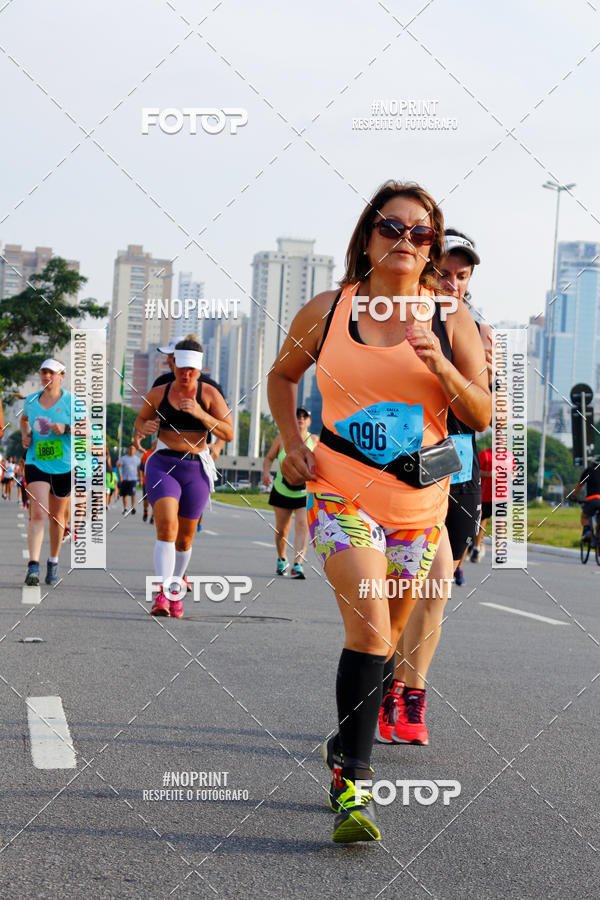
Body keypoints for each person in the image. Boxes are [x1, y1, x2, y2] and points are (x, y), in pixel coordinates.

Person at [267, 181, 490, 843]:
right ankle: (354, 782)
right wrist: (289, 442)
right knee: (368, 627)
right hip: (341, 492)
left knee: (388, 644)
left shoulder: (453, 322)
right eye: (392, 227)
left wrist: (443, 370)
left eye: (422, 233)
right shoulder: (329, 310)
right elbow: (283, 377)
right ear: (367, 236)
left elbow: (479, 415)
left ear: (432, 248)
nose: (406, 241)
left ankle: (344, 745)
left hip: (421, 505)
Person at [377, 230, 493, 747]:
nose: (452, 282)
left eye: (462, 276)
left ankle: (406, 694)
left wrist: (487, 384)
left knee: (435, 593)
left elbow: (486, 413)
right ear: (427, 268)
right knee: (423, 580)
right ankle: (391, 692)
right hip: (408, 465)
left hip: (459, 467)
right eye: (444, 271)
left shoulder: (472, 329)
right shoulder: (398, 319)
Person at [133, 338, 233, 618]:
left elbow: (229, 432)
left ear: (199, 370)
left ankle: (175, 590)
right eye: (181, 368)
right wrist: (145, 425)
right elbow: (139, 422)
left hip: (195, 468)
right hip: (162, 464)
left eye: (191, 369)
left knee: (185, 539)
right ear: (174, 364)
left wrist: (201, 414)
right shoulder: (159, 392)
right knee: (166, 527)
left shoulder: (210, 393)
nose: (185, 373)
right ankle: (162, 595)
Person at [20, 359, 72, 586]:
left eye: (51, 372)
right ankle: (33, 565)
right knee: (39, 513)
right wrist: (25, 433)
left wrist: (66, 428)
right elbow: (23, 420)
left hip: (63, 465)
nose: (46, 376)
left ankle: (53, 560)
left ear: (62, 376)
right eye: (43, 372)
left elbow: (89, 430)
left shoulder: (73, 402)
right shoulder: (31, 401)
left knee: (57, 517)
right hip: (36, 461)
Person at [262, 408, 318, 578]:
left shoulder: (314, 440)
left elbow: (322, 464)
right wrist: (266, 473)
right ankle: (281, 559)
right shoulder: (281, 439)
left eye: (304, 416)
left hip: (303, 492)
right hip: (282, 489)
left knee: (302, 526)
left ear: (309, 421)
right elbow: (268, 458)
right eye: (298, 416)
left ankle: (298, 564)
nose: (301, 418)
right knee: (281, 530)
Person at [573, 461, 600, 539]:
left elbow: (580, 485)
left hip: (592, 499)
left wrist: (573, 496)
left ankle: (588, 532)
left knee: (584, 517)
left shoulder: (589, 470)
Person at [117, 445, 141, 515]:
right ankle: (125, 508)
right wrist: (120, 476)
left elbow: (139, 470)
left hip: (133, 479)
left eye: (133, 449)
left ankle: (133, 507)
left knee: (133, 494)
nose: (131, 450)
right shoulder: (124, 458)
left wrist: (141, 479)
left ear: (135, 450)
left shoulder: (137, 459)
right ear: (128, 450)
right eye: (130, 449)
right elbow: (119, 467)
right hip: (125, 479)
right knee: (125, 494)